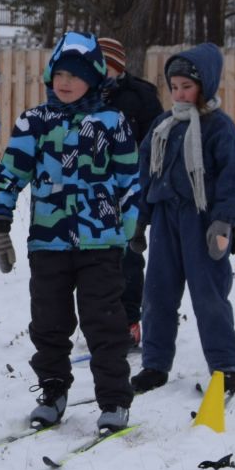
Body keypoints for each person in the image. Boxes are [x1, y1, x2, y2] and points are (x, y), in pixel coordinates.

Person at [0, 32, 142, 431]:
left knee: (104, 322)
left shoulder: (113, 123)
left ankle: (113, 400)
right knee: (49, 323)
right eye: (59, 74)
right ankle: (53, 391)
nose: (65, 82)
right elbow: (9, 174)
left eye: (75, 75)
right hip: (48, 242)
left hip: (101, 242)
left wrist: (131, 227)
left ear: (94, 79)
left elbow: (129, 179)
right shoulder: (34, 122)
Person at [134, 44, 235, 396]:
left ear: (205, 87)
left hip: (202, 224)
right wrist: (139, 221)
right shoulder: (162, 126)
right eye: (174, 87)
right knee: (157, 294)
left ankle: (225, 366)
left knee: (209, 295)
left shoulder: (219, 128)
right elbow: (145, 175)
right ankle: (155, 365)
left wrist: (224, 221)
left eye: (187, 86)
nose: (180, 93)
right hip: (165, 220)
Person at [98, 36, 164, 346]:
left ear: (118, 67)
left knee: (128, 257)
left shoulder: (141, 95)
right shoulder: (82, 95)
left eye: (105, 65)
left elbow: (157, 143)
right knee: (94, 258)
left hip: (129, 189)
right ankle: (99, 319)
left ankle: (128, 321)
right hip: (91, 191)